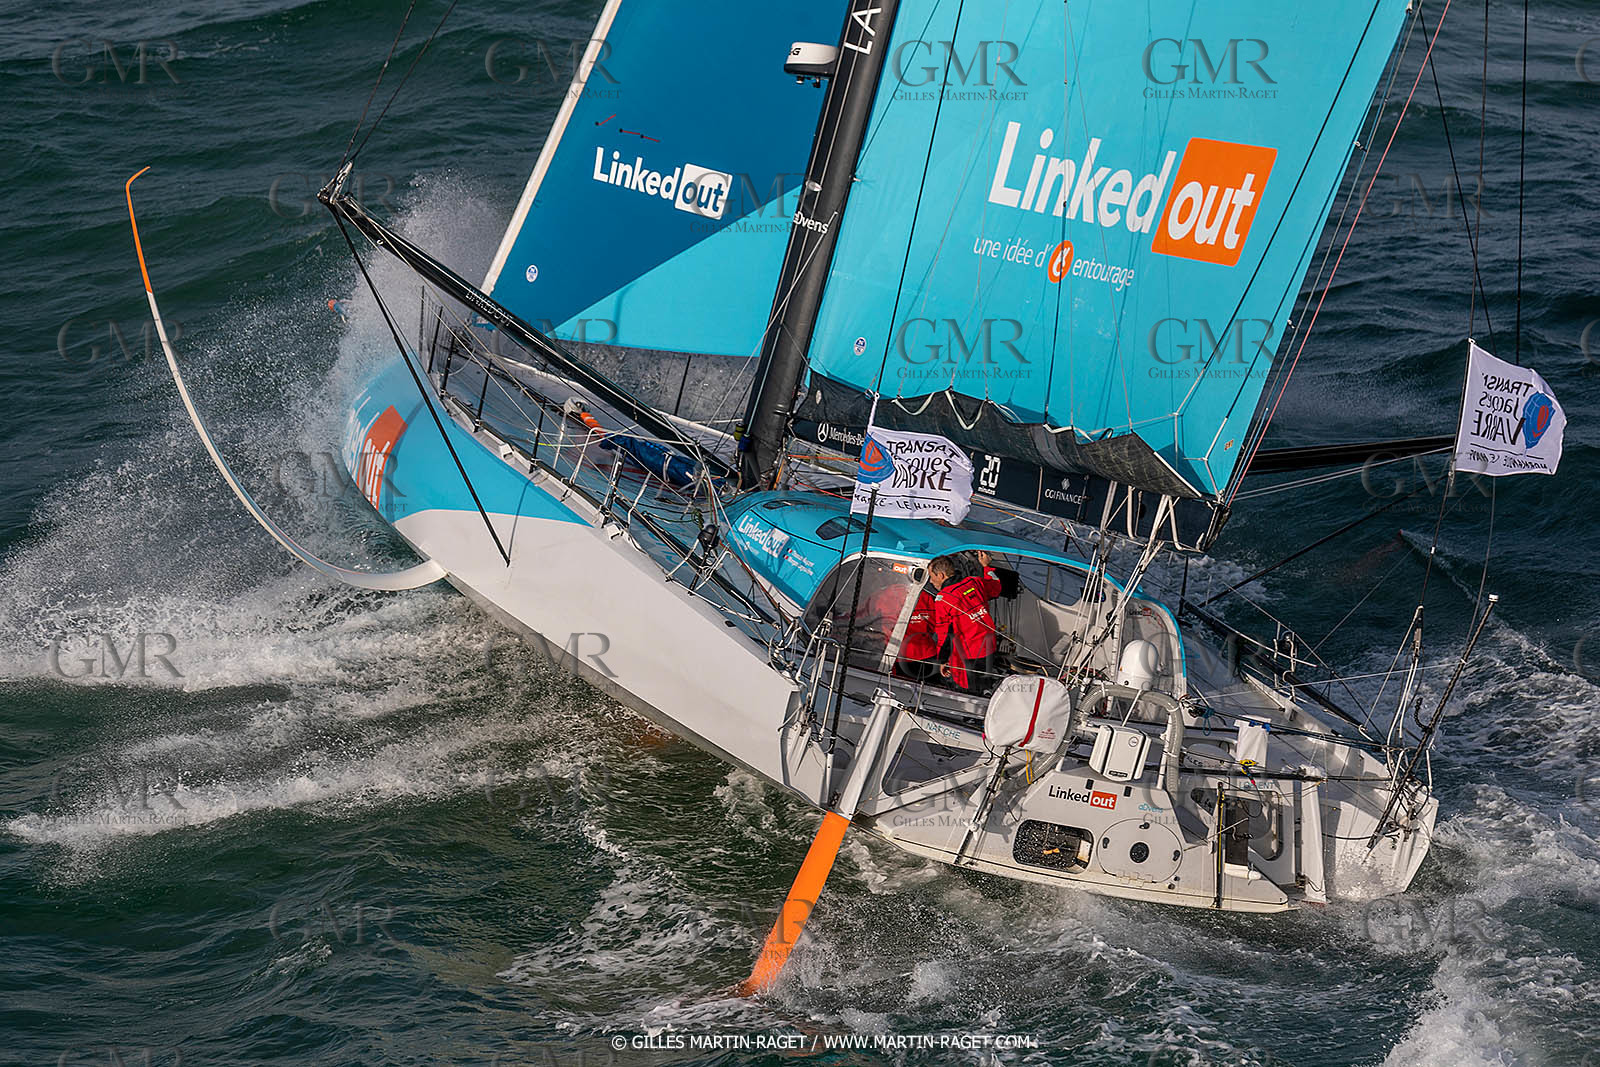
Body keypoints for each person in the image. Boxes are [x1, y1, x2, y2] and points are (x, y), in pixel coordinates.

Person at [928, 553, 1004, 694]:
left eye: (932, 577)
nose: (931, 582)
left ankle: (972, 714)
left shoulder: (942, 599)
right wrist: (986, 567)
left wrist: (942, 660)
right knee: (984, 684)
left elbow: (943, 635)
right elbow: (996, 588)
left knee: (970, 690)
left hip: (968, 652)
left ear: (941, 575)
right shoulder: (975, 582)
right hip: (988, 647)